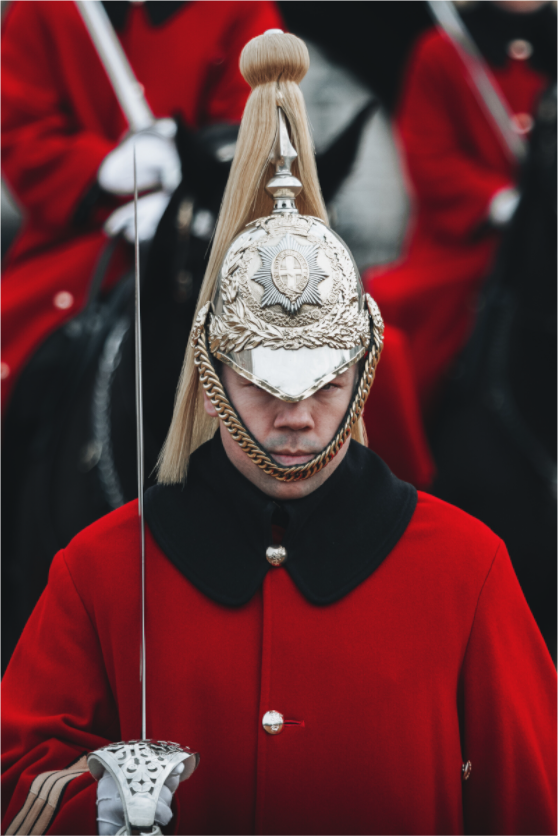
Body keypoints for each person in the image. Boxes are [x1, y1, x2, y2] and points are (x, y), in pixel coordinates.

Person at [1, 31, 557, 836]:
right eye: (263, 381)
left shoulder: (469, 571)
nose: (294, 415)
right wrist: (100, 810)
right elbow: (19, 781)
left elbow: (529, 806)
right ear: (213, 370)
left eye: (326, 380)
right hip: (124, 219)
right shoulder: (99, 571)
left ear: (357, 368)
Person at [0, 0, 282, 432]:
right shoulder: (43, 8)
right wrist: (101, 172)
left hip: (215, 224)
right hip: (82, 233)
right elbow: (19, 128)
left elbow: (259, 114)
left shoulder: (241, 7)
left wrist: (195, 182)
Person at [364, 0, 558, 426]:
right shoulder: (442, 50)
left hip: (550, 236)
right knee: (393, 322)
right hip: (469, 244)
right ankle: (403, 450)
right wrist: (500, 203)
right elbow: (428, 152)